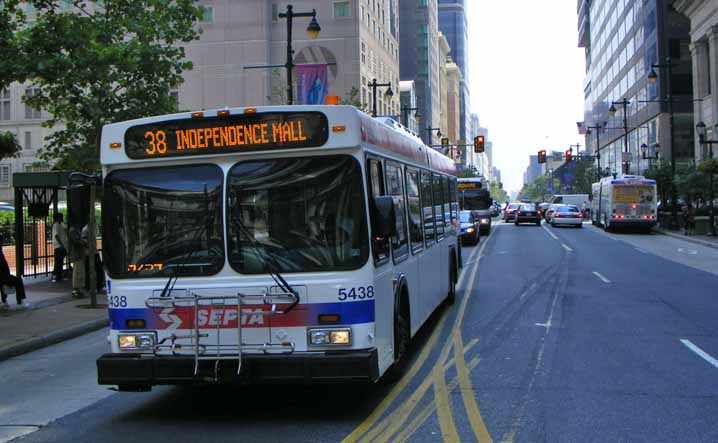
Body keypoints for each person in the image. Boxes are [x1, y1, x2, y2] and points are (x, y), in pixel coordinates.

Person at [68, 225, 87, 298]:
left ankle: (79, 289)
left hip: (79, 254)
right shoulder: (73, 230)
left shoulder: (76, 229)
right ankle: (76, 289)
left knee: (80, 272)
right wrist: (84, 242)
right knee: (78, 272)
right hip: (77, 255)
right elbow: (76, 241)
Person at [52, 213, 68, 282]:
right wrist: (61, 244)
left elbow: (65, 229)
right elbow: (56, 235)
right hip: (59, 246)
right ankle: (56, 276)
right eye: (61, 217)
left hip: (61, 246)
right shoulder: (56, 225)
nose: (62, 218)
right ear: (58, 218)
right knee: (58, 261)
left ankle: (59, 276)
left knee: (60, 261)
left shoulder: (60, 224)